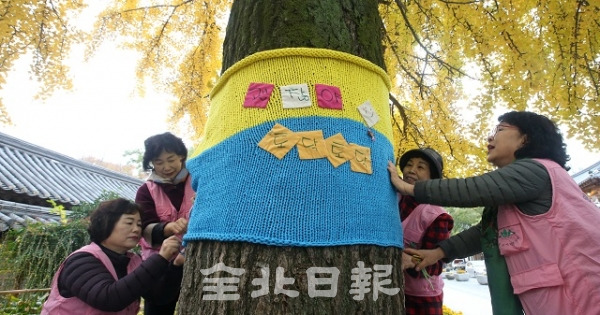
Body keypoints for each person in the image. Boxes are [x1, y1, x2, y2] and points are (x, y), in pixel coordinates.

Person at [388, 111, 600, 315]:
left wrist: (409, 188)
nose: (491, 136)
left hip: (583, 294)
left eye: (500, 129)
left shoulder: (537, 170)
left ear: (524, 139)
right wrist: (437, 253)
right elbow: (487, 232)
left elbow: (472, 189)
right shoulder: (512, 196)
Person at [41, 198, 184, 315]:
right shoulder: (81, 260)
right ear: (106, 223)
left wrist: (176, 266)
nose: (136, 229)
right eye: (129, 222)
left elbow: (159, 297)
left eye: (139, 225)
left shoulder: (133, 262)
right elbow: (109, 298)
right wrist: (160, 258)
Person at [135, 131, 193, 315]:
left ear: (182, 156)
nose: (166, 167)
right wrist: (167, 228)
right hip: (160, 263)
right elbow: (143, 226)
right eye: (158, 162)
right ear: (151, 163)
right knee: (158, 308)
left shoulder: (198, 180)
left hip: (194, 258)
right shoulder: (146, 191)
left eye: (171, 159)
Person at [397, 148, 453, 315]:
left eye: (421, 167)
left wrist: (412, 260)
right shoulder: (396, 197)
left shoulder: (436, 215)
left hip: (422, 297)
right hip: (394, 288)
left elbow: (436, 265)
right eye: (409, 165)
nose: (412, 170)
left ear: (432, 179)